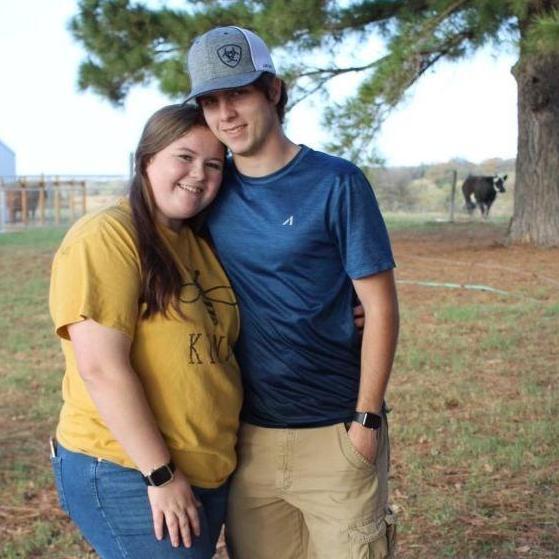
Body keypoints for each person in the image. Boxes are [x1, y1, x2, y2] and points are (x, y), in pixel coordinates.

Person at [184, 26, 400, 559]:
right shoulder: (208, 191)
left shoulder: (336, 182)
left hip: (336, 431)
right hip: (247, 441)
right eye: (210, 101)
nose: (225, 114)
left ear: (273, 91)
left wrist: (366, 421)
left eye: (238, 93)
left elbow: (380, 307)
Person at [48, 104, 242, 559]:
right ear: (146, 159)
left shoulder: (196, 243)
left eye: (214, 164)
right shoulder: (107, 235)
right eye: (184, 157)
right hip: (131, 470)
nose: (199, 174)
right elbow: (101, 369)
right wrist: (161, 474)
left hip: (203, 471)